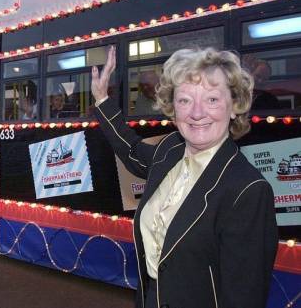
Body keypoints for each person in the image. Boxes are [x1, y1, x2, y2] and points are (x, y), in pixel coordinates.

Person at [92, 47, 278, 308]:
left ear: (235, 106)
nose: (197, 112)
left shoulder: (248, 190)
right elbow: (132, 151)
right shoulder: (170, 150)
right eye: (185, 100)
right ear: (173, 108)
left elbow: (243, 298)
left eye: (212, 99)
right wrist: (102, 99)